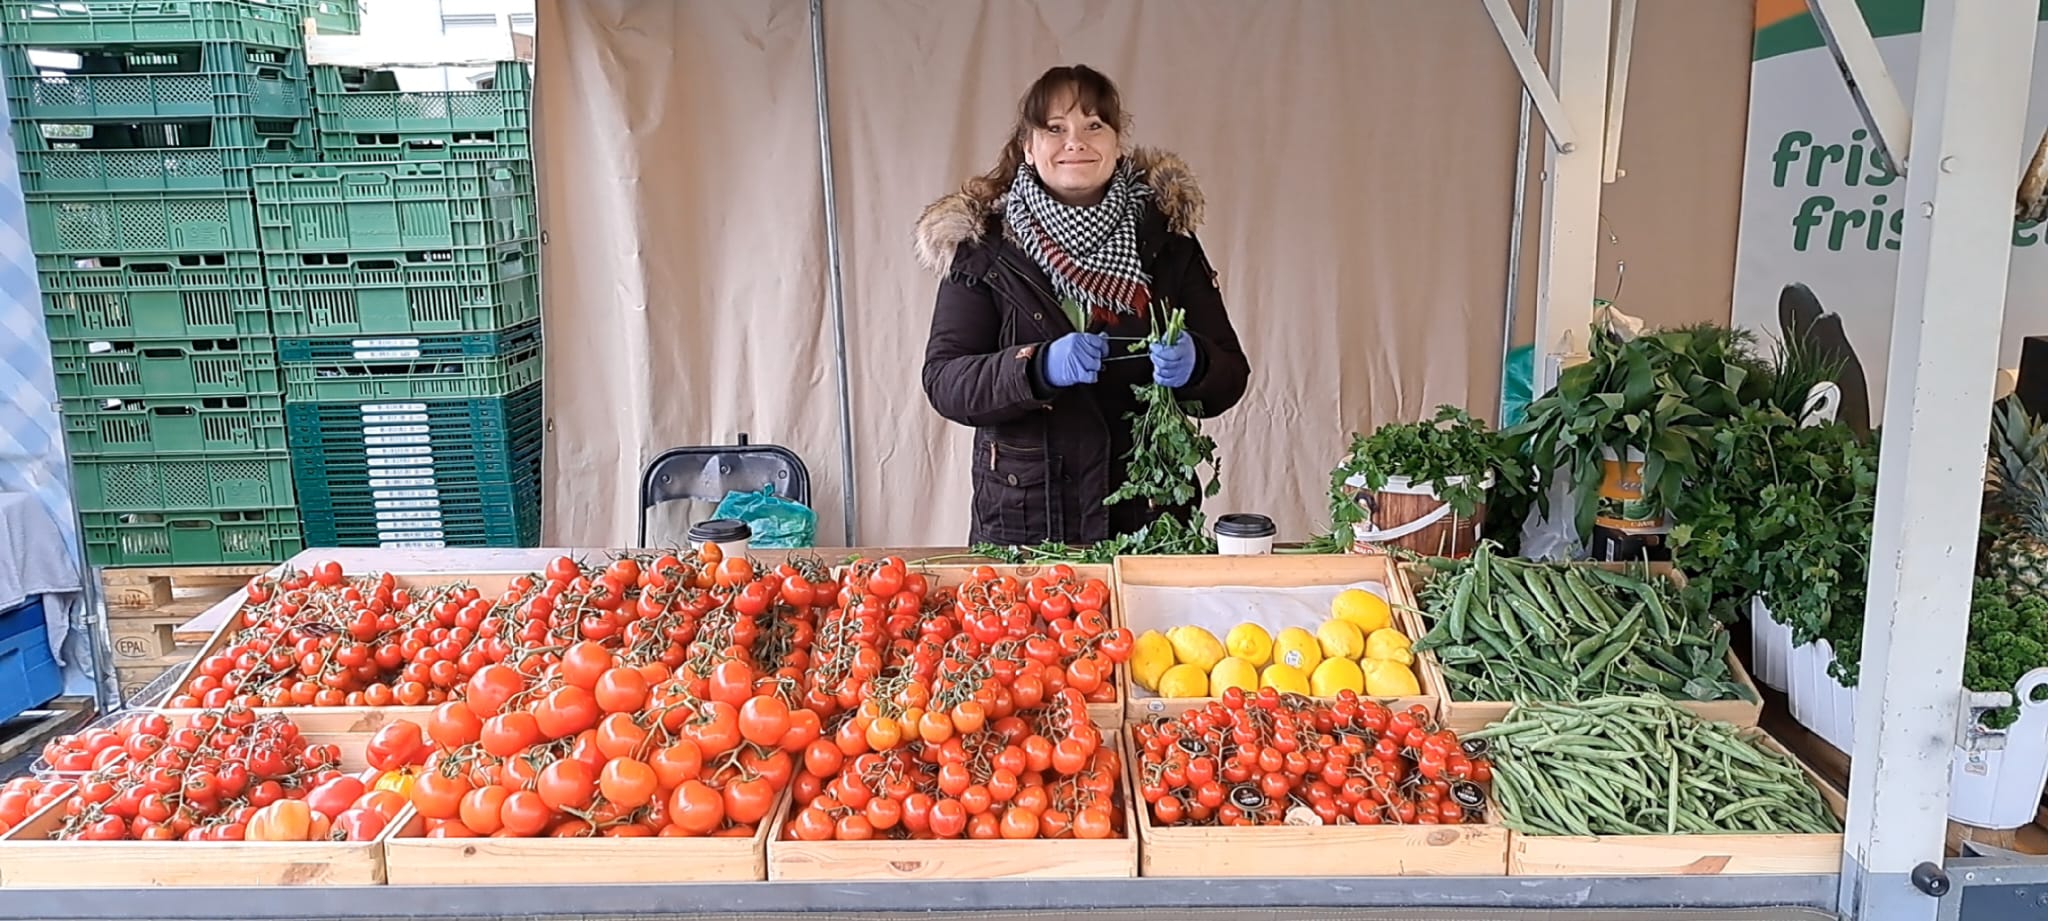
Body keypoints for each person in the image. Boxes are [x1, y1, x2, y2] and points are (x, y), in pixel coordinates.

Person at [915, 64, 1251, 546]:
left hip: (1150, 514)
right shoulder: (984, 246)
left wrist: (1198, 363)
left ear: (1117, 144)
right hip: (1027, 520)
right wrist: (1036, 366)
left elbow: (1231, 375)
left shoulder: (1167, 239)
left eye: (1095, 125)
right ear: (1029, 147)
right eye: (1055, 128)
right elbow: (946, 381)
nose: (1076, 141)